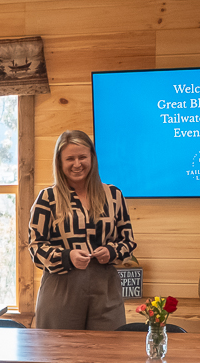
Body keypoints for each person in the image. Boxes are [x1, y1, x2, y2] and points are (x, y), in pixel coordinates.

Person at [26, 129, 136, 333]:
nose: (77, 164)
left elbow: (128, 241)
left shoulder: (113, 195)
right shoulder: (47, 198)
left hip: (106, 289)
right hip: (61, 288)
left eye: (82, 157)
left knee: (108, 353)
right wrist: (67, 256)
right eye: (70, 159)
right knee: (59, 356)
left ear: (92, 158)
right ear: (59, 162)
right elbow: (36, 247)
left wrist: (111, 252)